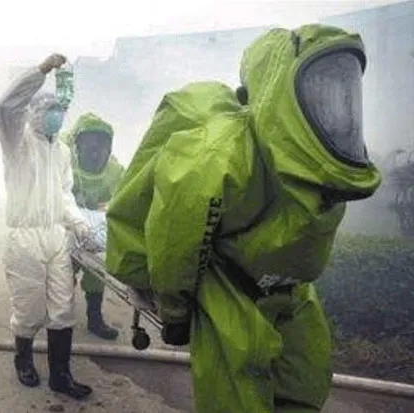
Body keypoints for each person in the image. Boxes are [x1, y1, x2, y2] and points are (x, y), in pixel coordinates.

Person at [105, 24, 382, 412]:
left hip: (288, 285)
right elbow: (176, 243)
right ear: (278, 92)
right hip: (228, 281)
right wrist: (176, 312)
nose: (335, 108)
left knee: (305, 381)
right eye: (321, 90)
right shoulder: (218, 156)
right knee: (236, 393)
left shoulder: (319, 170)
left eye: (342, 92)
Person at [0, 53, 93, 400]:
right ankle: (23, 359)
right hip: (24, 238)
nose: (57, 116)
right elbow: (6, 107)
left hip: (56, 237)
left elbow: (64, 194)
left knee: (63, 308)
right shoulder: (18, 143)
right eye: (51, 110)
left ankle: (61, 375)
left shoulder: (62, 151)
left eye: (60, 111)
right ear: (35, 112)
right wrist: (40, 72)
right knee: (28, 307)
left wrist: (78, 223)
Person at [60, 113, 125, 340]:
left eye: (101, 145)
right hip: (67, 229)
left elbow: (123, 198)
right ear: (77, 145)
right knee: (63, 273)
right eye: (90, 145)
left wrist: (111, 205)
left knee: (96, 273)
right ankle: (60, 320)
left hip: (94, 233)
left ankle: (95, 318)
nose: (95, 151)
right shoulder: (64, 163)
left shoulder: (115, 172)